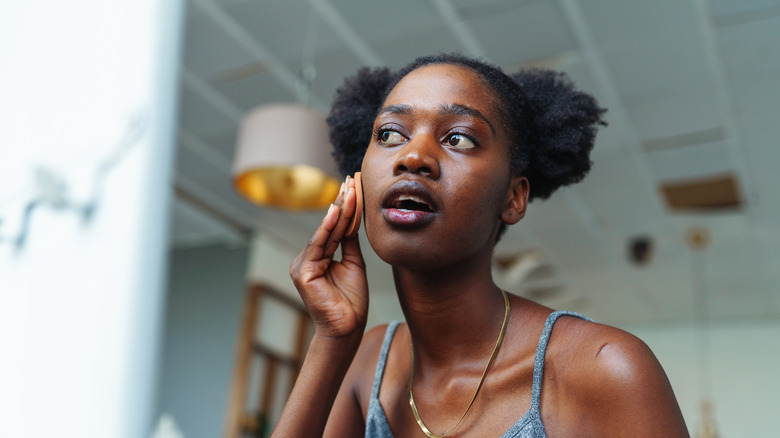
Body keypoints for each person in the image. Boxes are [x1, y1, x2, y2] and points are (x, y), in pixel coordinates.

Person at [273, 54, 688, 437]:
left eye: (459, 139)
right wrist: (332, 340)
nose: (413, 156)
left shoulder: (604, 367)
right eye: (389, 133)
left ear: (513, 197)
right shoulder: (365, 361)